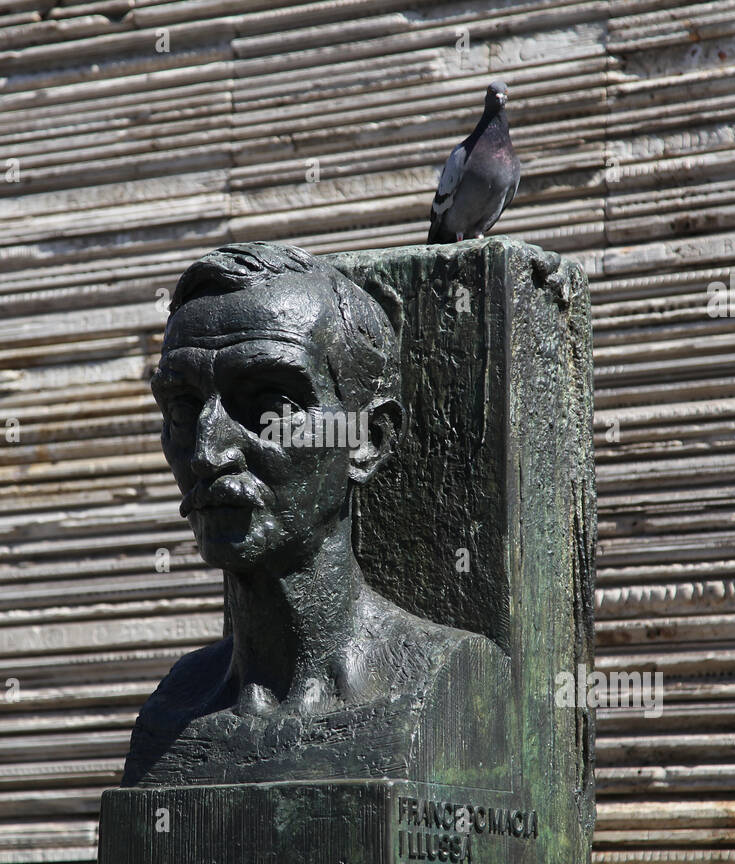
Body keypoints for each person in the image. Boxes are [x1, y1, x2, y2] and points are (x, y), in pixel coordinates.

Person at [121, 242, 510, 787]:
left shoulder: (453, 685)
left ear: (365, 442)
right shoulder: (172, 715)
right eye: (184, 408)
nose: (208, 451)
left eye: (269, 407)